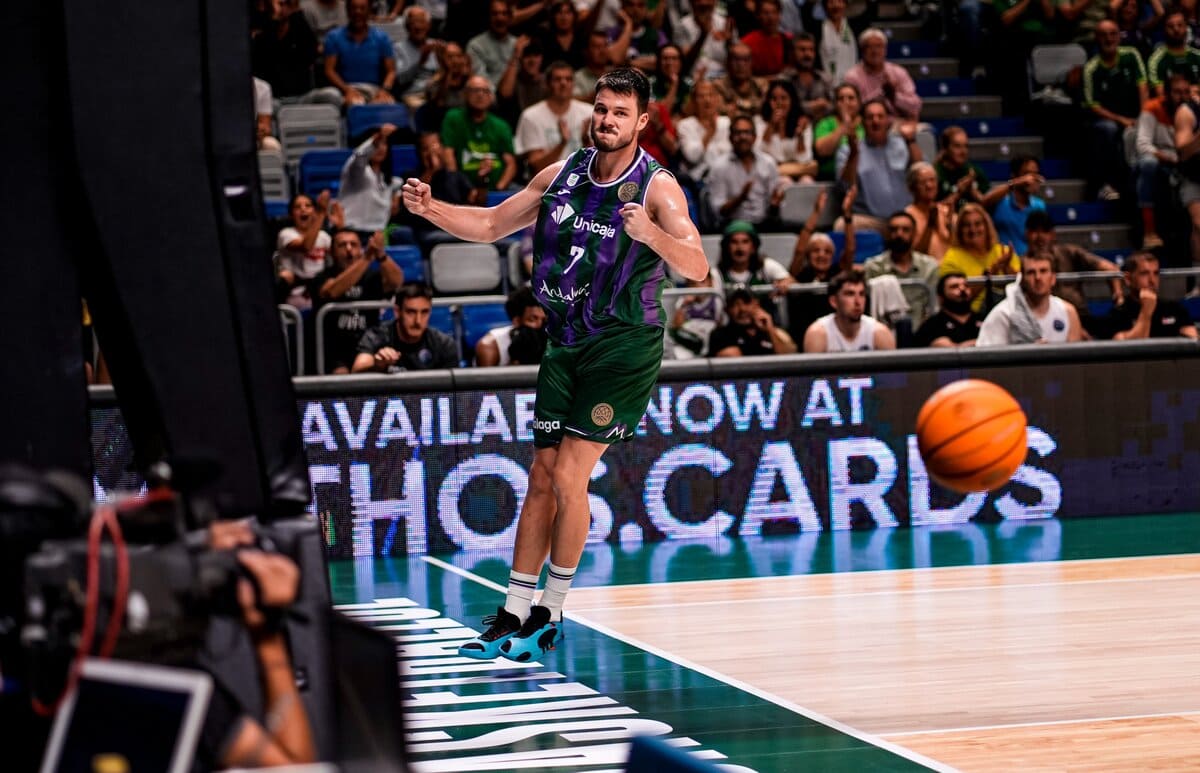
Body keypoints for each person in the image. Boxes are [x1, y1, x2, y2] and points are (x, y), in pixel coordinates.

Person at [401, 68, 707, 661]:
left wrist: (650, 235)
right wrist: (432, 208)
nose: (606, 119)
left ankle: (551, 611)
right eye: (601, 108)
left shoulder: (658, 189)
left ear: (642, 122)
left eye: (620, 112)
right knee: (540, 476)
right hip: (563, 339)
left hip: (622, 345)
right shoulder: (561, 174)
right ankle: (514, 612)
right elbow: (490, 224)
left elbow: (696, 266)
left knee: (569, 475)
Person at [311, 230, 404, 373]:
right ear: (331, 251)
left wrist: (381, 254)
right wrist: (366, 258)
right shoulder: (323, 276)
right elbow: (332, 291)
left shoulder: (372, 277)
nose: (349, 249)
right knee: (341, 377)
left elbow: (396, 282)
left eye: (353, 244)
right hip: (334, 347)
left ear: (360, 249)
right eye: (342, 245)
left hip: (368, 342)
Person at [1023, 209, 1122, 333]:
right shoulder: (1022, 262)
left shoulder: (1070, 252)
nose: (1040, 237)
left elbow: (1110, 268)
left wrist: (1118, 297)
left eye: (1045, 231)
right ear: (1026, 234)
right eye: (1034, 231)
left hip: (1081, 317)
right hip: (1037, 320)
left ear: (1053, 235)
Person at [1082, 19, 1148, 202]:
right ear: (1096, 38)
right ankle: (1106, 185)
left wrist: (1144, 117)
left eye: (1112, 34)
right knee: (1108, 129)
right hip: (1107, 119)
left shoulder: (1131, 55)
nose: (1108, 39)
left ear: (1119, 37)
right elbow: (1092, 105)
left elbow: (1142, 86)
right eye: (1103, 35)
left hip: (1135, 115)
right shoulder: (1091, 68)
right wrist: (1122, 120)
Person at [836, 98, 920, 232]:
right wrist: (854, 154)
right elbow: (845, 187)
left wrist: (911, 141)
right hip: (870, 219)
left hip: (905, 218)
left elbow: (921, 171)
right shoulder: (848, 150)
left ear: (888, 121)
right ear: (862, 122)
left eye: (880, 116)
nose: (876, 121)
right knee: (841, 226)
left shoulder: (903, 145)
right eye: (870, 117)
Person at [976, 252, 1083, 345]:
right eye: (1031, 272)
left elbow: (1076, 363)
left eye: (1043, 271)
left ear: (1053, 278)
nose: (1038, 278)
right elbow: (986, 359)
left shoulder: (1068, 312)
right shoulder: (1003, 314)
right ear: (1022, 280)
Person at [351, 282, 459, 372]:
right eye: (411, 312)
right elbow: (356, 371)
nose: (418, 320)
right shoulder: (376, 336)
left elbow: (456, 392)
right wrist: (378, 365)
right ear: (397, 312)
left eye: (424, 312)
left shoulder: (444, 344)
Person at [706, 115, 789, 228]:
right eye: (737, 133)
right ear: (730, 137)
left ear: (755, 137)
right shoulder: (719, 166)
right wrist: (740, 198)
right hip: (731, 226)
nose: (743, 137)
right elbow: (718, 211)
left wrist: (775, 205)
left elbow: (775, 207)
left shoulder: (768, 163)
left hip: (764, 225)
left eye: (747, 132)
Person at [515, 61, 594, 174]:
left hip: (581, 181)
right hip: (546, 184)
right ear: (546, 84)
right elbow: (536, 166)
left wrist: (587, 143)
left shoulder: (589, 113)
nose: (563, 83)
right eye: (557, 79)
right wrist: (562, 144)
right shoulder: (531, 116)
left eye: (568, 79)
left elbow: (599, 162)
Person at [441, 75, 518, 191]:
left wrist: (498, 191)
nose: (480, 94)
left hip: (497, 188)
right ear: (465, 94)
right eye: (475, 90)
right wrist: (459, 187)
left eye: (485, 91)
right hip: (464, 189)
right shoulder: (453, 118)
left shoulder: (501, 125)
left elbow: (511, 164)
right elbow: (448, 156)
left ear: (491, 97)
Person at [1135, 73, 1185, 251]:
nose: (1182, 97)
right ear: (1167, 93)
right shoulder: (1152, 108)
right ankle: (1149, 232)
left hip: (1184, 159)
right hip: (1158, 158)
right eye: (1177, 92)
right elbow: (1142, 145)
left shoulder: (1192, 110)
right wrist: (1170, 158)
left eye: (1185, 92)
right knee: (1148, 164)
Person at [862, 210, 939, 325]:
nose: (899, 234)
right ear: (887, 234)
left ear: (914, 234)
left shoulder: (929, 266)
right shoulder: (873, 267)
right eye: (894, 229)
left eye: (905, 230)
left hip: (923, 334)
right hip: (884, 334)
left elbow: (934, 307)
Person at [940, 203, 1020, 312]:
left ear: (987, 226)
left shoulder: (1004, 252)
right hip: (970, 316)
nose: (972, 229)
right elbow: (955, 297)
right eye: (966, 225)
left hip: (1009, 312)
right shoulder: (952, 257)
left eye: (978, 224)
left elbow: (1022, 287)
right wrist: (992, 271)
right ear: (960, 230)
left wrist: (1006, 268)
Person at [315, 0, 396, 107]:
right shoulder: (334, 37)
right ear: (347, 11)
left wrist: (384, 90)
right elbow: (329, 71)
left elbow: (391, 71)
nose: (358, 12)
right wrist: (347, 90)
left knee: (388, 105)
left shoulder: (382, 38)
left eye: (362, 8)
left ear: (369, 11)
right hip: (344, 89)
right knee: (355, 105)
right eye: (354, 8)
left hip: (374, 89)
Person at [1107, 251, 1199, 339]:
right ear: (1128, 279)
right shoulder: (1118, 314)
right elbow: (1129, 350)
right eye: (1144, 274)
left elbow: (1193, 344)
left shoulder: (1175, 309)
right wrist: (1146, 311)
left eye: (1156, 273)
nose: (1152, 281)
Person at [803, 268, 897, 352]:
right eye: (850, 294)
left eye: (861, 294)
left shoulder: (880, 333)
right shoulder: (818, 333)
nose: (858, 301)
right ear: (834, 301)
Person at [843, 28, 921, 122]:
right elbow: (850, 109)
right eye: (869, 47)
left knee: (925, 132)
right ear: (862, 51)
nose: (875, 51)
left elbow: (916, 105)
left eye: (879, 46)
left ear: (885, 50)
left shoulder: (898, 72)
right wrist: (881, 94)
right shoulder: (852, 77)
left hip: (899, 123)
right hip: (866, 124)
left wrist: (895, 96)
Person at [339, 123, 401, 237]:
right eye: (377, 144)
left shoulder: (390, 179)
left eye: (384, 144)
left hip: (378, 233)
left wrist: (397, 194)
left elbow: (397, 185)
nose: (380, 148)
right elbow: (360, 156)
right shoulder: (354, 169)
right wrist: (376, 139)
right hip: (352, 231)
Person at [275, 193, 335, 309]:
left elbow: (339, 258)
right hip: (294, 292)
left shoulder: (323, 237)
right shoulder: (286, 234)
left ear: (313, 211)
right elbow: (306, 246)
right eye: (298, 207)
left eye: (308, 206)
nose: (303, 209)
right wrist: (321, 213)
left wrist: (339, 228)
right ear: (291, 214)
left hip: (319, 290)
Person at [755, 79, 818, 181]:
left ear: (792, 100)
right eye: (774, 99)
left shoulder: (802, 121)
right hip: (770, 173)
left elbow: (805, 159)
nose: (779, 103)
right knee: (785, 180)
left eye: (784, 98)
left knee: (806, 180)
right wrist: (771, 126)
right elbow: (758, 153)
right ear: (768, 101)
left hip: (797, 171)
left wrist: (800, 136)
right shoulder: (760, 122)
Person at [709, 287, 798, 355]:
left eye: (746, 302)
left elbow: (789, 359)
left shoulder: (774, 332)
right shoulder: (720, 334)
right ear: (727, 309)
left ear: (756, 304)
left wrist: (770, 330)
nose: (742, 309)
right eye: (735, 304)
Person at [475, 287, 549, 365]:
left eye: (544, 320)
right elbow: (486, 377)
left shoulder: (553, 339)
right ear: (516, 321)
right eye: (533, 319)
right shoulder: (489, 347)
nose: (540, 325)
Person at [990, 155, 1047, 257]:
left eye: (1035, 174)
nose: (1031, 179)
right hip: (1004, 263)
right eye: (1026, 174)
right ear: (1014, 176)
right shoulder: (1000, 202)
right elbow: (984, 201)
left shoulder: (1040, 206)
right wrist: (1016, 183)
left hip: (1030, 262)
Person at [675, 79, 731, 181]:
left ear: (717, 99)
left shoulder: (726, 123)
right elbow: (693, 157)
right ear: (694, 101)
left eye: (711, 95)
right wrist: (710, 133)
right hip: (695, 181)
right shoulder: (685, 125)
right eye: (701, 96)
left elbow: (730, 153)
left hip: (725, 178)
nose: (707, 100)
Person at [913, 272, 984, 347]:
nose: (962, 289)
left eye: (966, 286)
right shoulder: (932, 325)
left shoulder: (984, 319)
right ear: (941, 297)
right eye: (954, 286)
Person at [813, 82, 863, 181]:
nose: (846, 102)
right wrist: (844, 125)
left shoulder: (866, 123)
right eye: (841, 99)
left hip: (862, 175)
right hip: (830, 179)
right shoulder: (825, 124)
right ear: (835, 104)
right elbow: (822, 151)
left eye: (851, 98)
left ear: (859, 103)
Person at [904, 161, 953, 260]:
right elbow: (912, 257)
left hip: (951, 269)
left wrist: (951, 227)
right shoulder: (907, 216)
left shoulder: (946, 210)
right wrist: (930, 224)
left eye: (932, 180)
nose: (929, 186)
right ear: (912, 187)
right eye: (923, 182)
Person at [1147, 7, 1200, 98]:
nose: (1176, 29)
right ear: (1164, 29)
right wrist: (1192, 90)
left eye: (1180, 25)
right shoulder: (1156, 60)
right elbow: (1161, 94)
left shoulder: (1197, 56)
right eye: (1171, 26)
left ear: (1186, 27)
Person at [468, 0, 518, 87]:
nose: (500, 18)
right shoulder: (475, 46)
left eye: (504, 13)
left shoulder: (517, 44)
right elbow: (481, 82)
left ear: (510, 18)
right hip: (488, 97)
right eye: (495, 14)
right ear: (488, 17)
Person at [740, 0, 792, 78]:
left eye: (774, 12)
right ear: (758, 15)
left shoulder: (788, 40)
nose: (770, 17)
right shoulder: (747, 42)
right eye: (766, 13)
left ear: (779, 15)